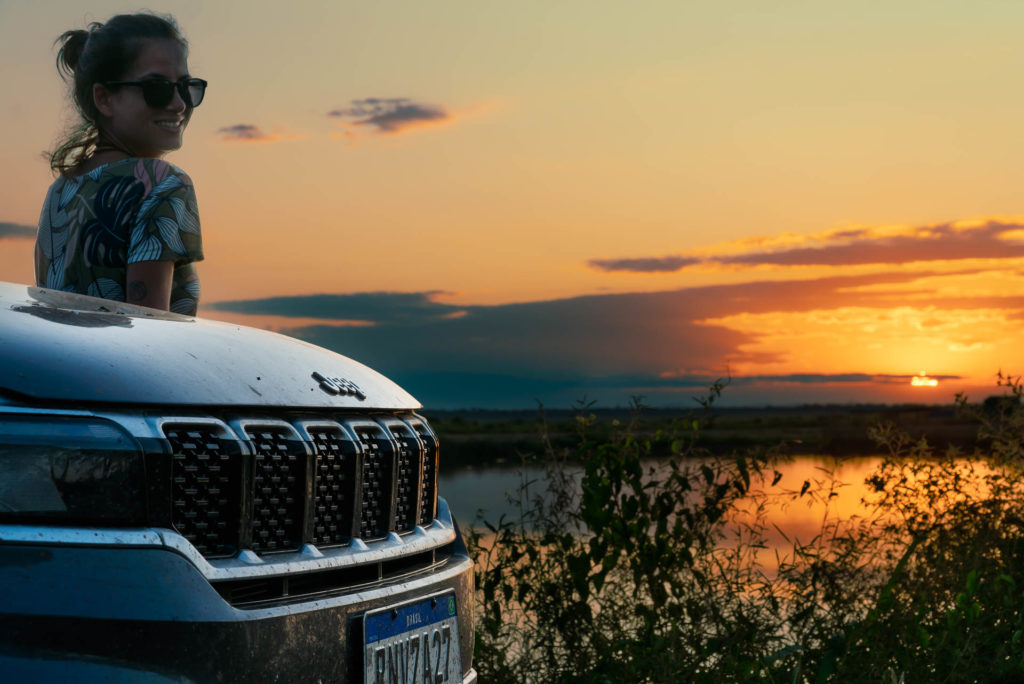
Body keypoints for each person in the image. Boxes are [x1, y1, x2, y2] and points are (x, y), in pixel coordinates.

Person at [35, 13, 207, 315]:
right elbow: (147, 334)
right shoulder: (162, 183)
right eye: (157, 88)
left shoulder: (59, 192)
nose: (179, 104)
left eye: (187, 87)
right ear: (104, 98)